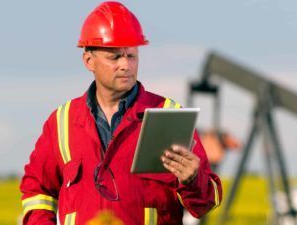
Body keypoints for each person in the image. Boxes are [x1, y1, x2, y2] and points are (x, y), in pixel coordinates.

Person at [19, 2, 222, 225]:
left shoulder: (168, 115)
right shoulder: (61, 122)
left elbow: (204, 204)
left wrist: (193, 179)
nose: (126, 65)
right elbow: (37, 190)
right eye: (115, 57)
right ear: (89, 61)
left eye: (131, 55)